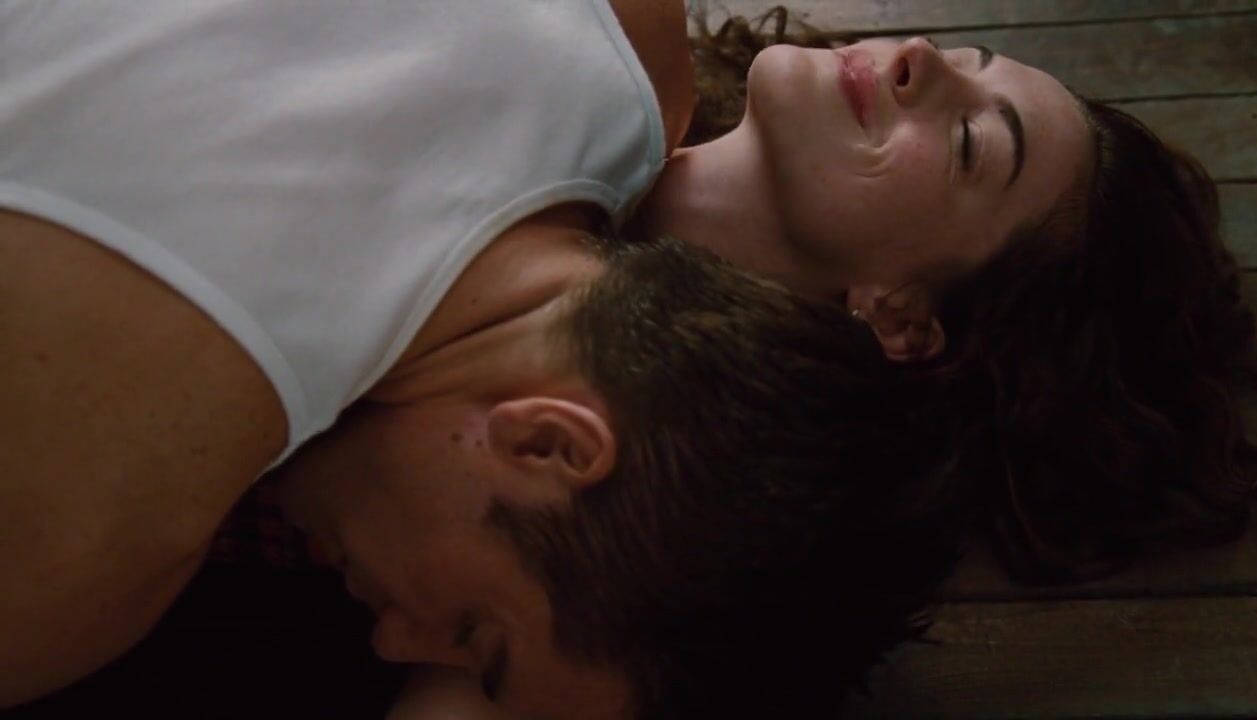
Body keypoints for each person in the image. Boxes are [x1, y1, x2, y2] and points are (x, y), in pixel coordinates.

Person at [0, 2, 957, 718]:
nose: (395, 641)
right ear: (546, 443)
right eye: (470, 636)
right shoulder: (67, 556)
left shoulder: (628, 50)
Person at [626, 10, 1257, 581]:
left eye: (968, 141)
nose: (919, 55)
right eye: (962, 57)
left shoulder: (614, 450)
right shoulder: (632, 42)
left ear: (900, 317)